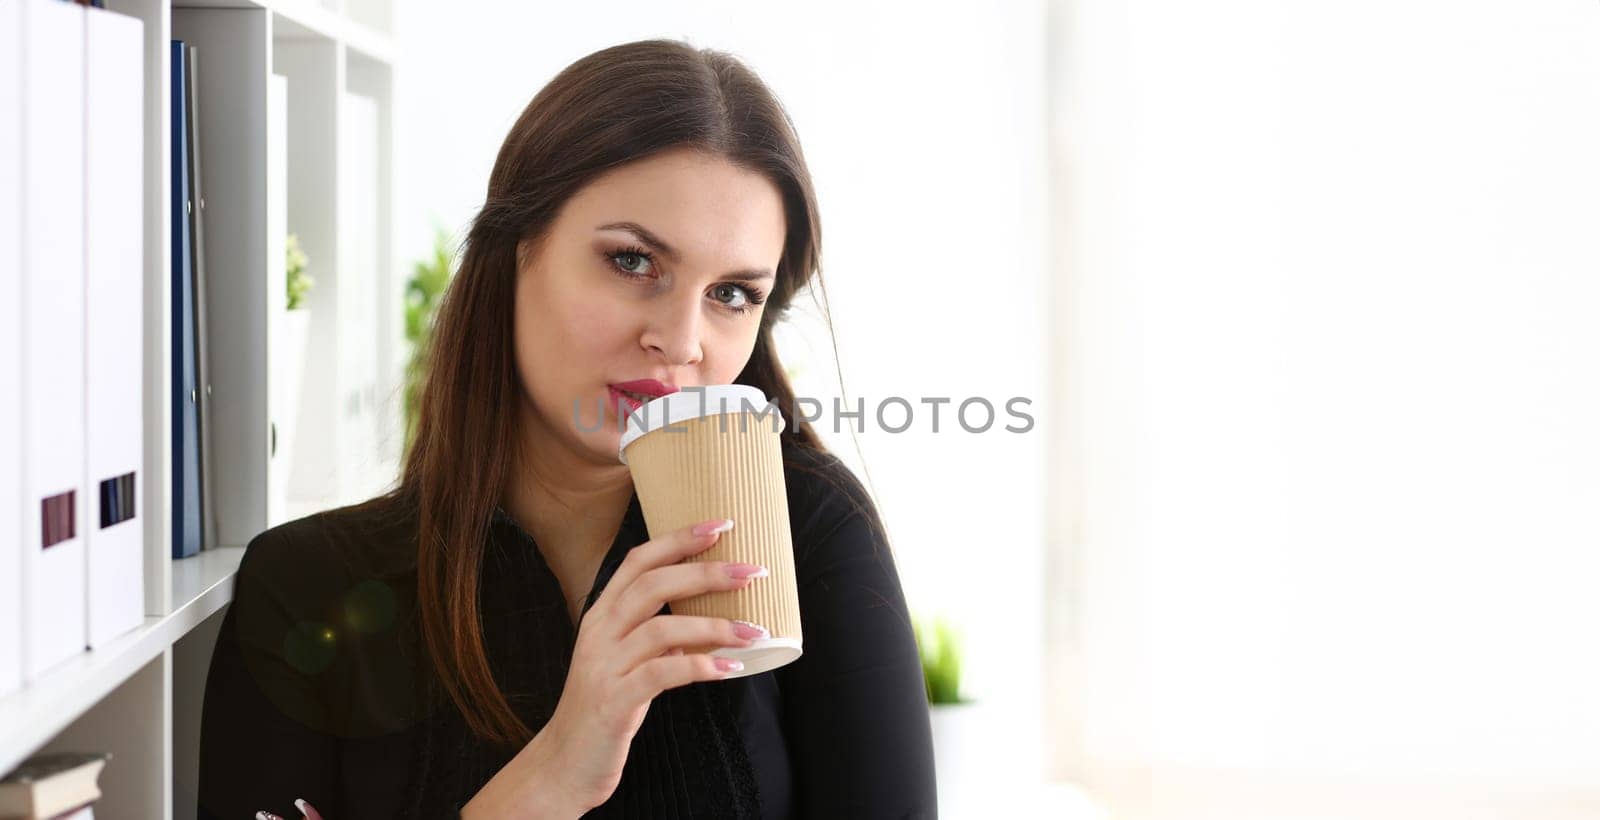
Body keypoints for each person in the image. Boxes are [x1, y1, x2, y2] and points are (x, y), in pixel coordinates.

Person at [196, 37, 937, 820]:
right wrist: (554, 772)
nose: (682, 342)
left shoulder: (808, 528)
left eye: (732, 294)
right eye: (633, 262)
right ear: (516, 249)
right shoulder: (308, 585)